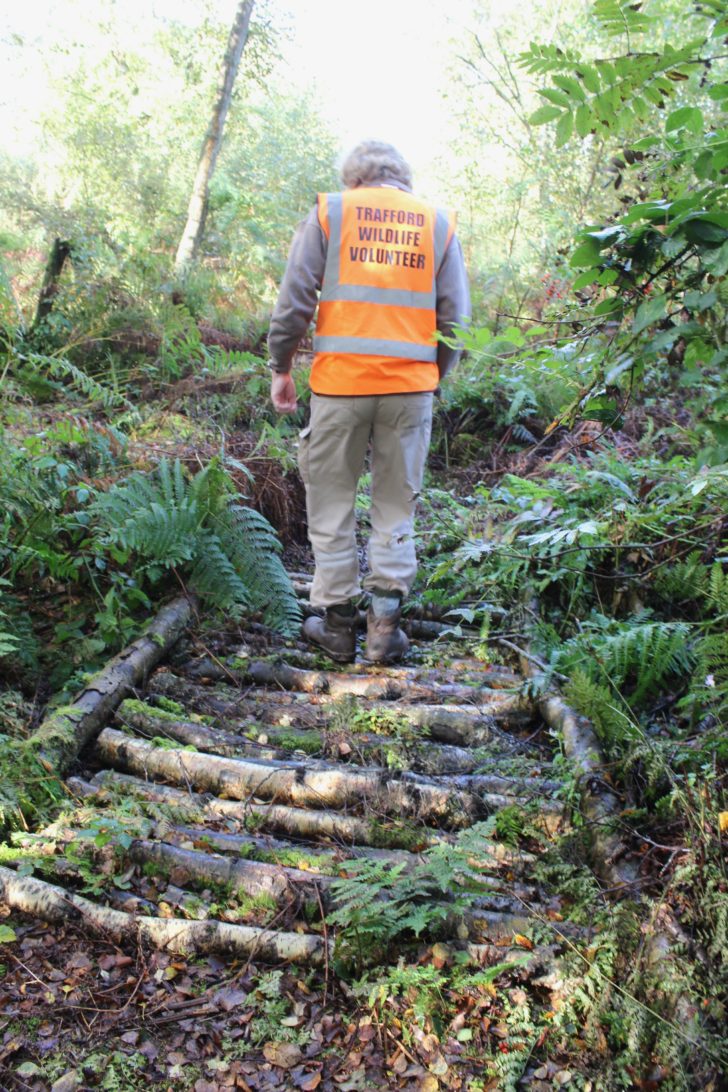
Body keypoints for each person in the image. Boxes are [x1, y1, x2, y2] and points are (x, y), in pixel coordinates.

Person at [268, 140, 470, 664]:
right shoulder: (437, 224)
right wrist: (432, 378)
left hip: (339, 388)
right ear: (402, 178)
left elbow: (295, 299)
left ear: (353, 179)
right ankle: (383, 631)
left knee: (331, 504)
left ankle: (336, 627)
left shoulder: (331, 212)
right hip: (409, 390)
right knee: (395, 508)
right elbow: (456, 322)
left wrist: (281, 366)